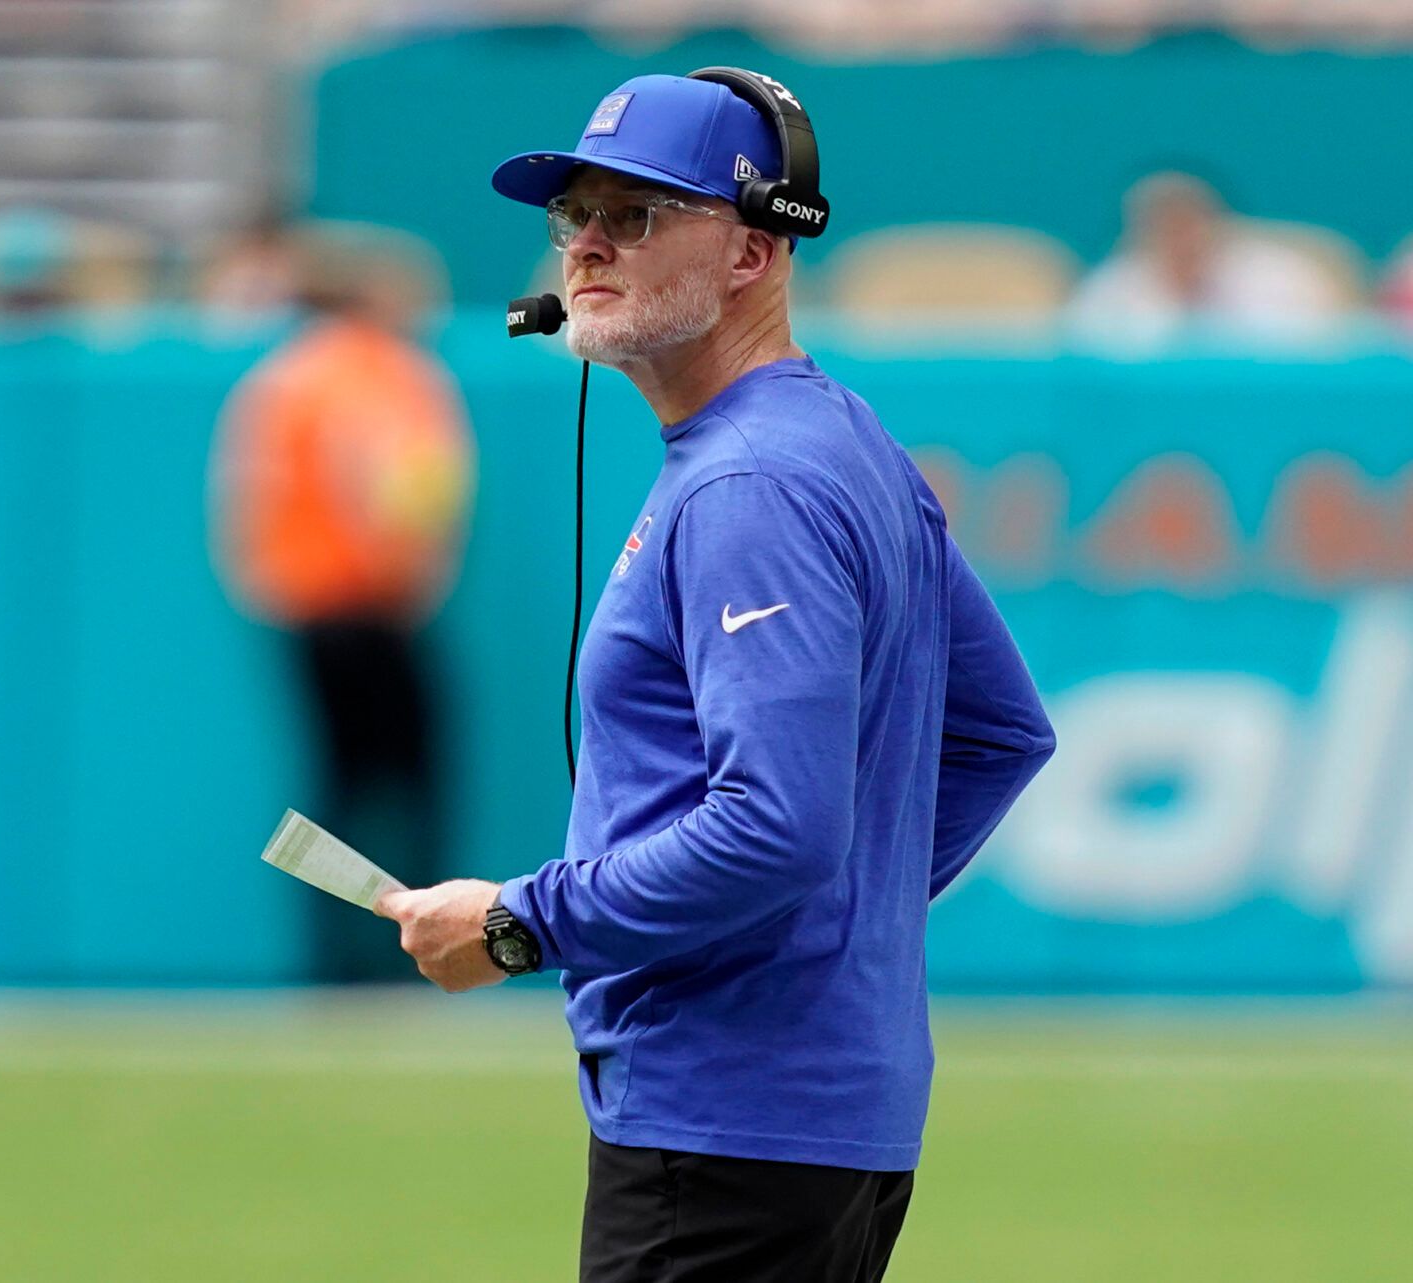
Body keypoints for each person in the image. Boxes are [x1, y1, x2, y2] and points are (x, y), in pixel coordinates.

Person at [373, 72, 1056, 1281]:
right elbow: (1001, 734)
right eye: (574, 214)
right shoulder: (837, 439)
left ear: (750, 253)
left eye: (635, 216)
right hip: (814, 1113)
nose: (586, 243)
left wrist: (518, 922)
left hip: (725, 1119)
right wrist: (831, 930)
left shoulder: (751, 484)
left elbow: (779, 823)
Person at [211, 225, 474, 983]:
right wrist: (415, 571)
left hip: (302, 609)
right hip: (372, 606)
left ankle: (329, 958)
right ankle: (421, 953)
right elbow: (405, 488)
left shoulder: (281, 375)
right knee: (414, 778)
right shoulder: (384, 372)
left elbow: (241, 501)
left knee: (332, 782)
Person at [1065, 170, 1344, 344]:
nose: (1181, 238)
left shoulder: (1285, 278)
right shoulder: (1111, 289)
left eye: (1190, 222)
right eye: (1163, 226)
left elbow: (1320, 357)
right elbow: (1087, 366)